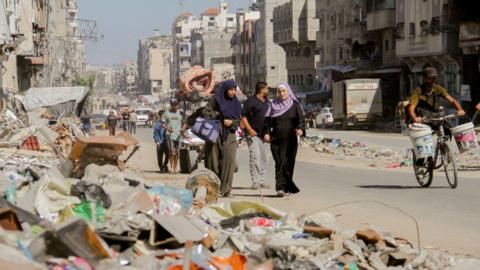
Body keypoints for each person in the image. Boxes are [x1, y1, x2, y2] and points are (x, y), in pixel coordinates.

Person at [185, 80, 241, 197]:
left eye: (234, 89)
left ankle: (226, 190)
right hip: (214, 132)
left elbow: (239, 119)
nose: (232, 92)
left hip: (229, 134)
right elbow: (206, 112)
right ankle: (214, 188)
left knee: (228, 162)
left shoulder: (236, 103)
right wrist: (218, 114)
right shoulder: (215, 99)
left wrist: (232, 122)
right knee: (212, 161)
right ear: (225, 90)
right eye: (230, 90)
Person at [264, 83, 305, 197]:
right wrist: (266, 133)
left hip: (290, 140)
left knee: (288, 163)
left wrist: (300, 129)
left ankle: (286, 188)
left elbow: (300, 120)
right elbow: (267, 121)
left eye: (283, 91)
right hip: (276, 139)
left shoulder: (295, 105)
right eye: (279, 91)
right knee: (279, 162)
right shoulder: (273, 105)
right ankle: (280, 188)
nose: (281, 94)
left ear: (288, 91)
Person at [241, 82, 271, 190]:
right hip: (252, 134)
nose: (268, 91)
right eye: (267, 89)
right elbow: (243, 116)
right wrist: (249, 129)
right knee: (255, 158)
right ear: (261, 90)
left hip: (264, 136)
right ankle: (255, 182)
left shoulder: (267, 102)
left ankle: (262, 180)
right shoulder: (250, 101)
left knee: (265, 158)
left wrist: (269, 132)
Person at [163, 100, 184, 174]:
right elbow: (162, 124)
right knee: (171, 152)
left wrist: (183, 130)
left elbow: (184, 123)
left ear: (178, 105)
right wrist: (168, 129)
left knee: (177, 152)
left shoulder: (181, 113)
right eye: (173, 105)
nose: (175, 106)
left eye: (176, 105)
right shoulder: (166, 113)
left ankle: (175, 168)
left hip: (179, 135)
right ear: (171, 105)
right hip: (170, 135)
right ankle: (171, 168)